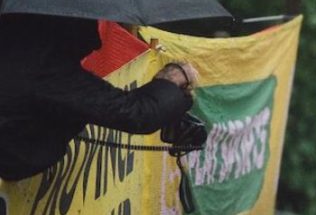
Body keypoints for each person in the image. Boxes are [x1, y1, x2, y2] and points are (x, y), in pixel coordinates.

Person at [0, 14, 199, 181]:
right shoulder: (44, 67)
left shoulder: (18, 44)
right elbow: (137, 114)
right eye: (86, 24)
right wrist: (171, 80)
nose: (95, 43)